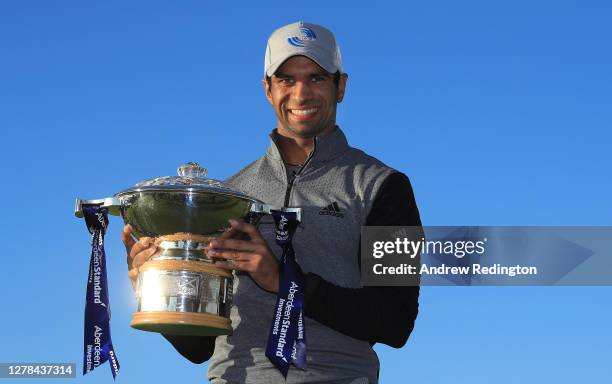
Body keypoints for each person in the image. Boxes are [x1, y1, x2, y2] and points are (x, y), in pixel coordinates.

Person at [123, 21, 421, 384]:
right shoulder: (226, 196)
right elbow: (198, 349)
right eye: (286, 80)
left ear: (340, 86)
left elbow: (396, 321)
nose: (301, 94)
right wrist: (155, 282)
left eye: (316, 78)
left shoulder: (384, 186)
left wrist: (283, 281)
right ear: (267, 89)